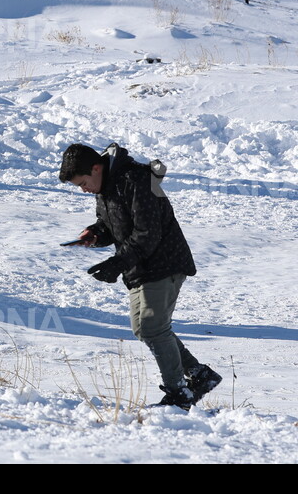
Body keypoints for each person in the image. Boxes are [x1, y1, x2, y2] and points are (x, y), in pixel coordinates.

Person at [59, 142, 222, 409]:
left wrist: (117, 263)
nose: (84, 189)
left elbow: (148, 233)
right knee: (143, 329)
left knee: (153, 328)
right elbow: (113, 225)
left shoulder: (135, 179)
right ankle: (200, 375)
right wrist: (95, 233)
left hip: (163, 263)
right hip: (141, 267)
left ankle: (178, 394)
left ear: (97, 168)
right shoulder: (106, 187)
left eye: (83, 182)